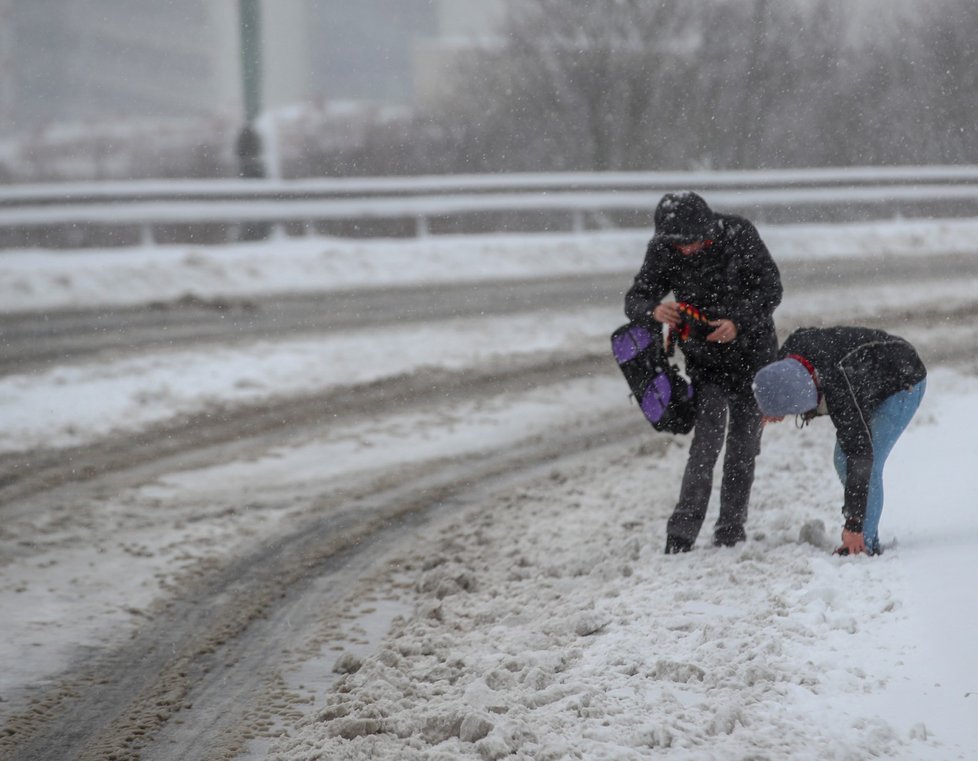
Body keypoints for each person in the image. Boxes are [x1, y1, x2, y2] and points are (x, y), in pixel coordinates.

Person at [625, 191, 783, 553]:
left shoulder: (739, 234)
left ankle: (731, 530)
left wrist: (738, 323)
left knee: (743, 449)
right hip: (704, 361)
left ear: (707, 230)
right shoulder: (664, 246)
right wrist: (652, 309)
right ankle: (681, 534)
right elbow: (635, 298)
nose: (686, 251)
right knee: (705, 445)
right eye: (678, 245)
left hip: (752, 355)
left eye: (692, 243)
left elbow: (771, 289)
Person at [752, 326, 927, 556]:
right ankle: (862, 534)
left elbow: (860, 455)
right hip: (870, 376)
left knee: (853, 460)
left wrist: (853, 523)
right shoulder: (789, 357)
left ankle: (863, 544)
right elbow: (776, 385)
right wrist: (768, 404)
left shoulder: (839, 383)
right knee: (843, 458)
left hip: (903, 381)